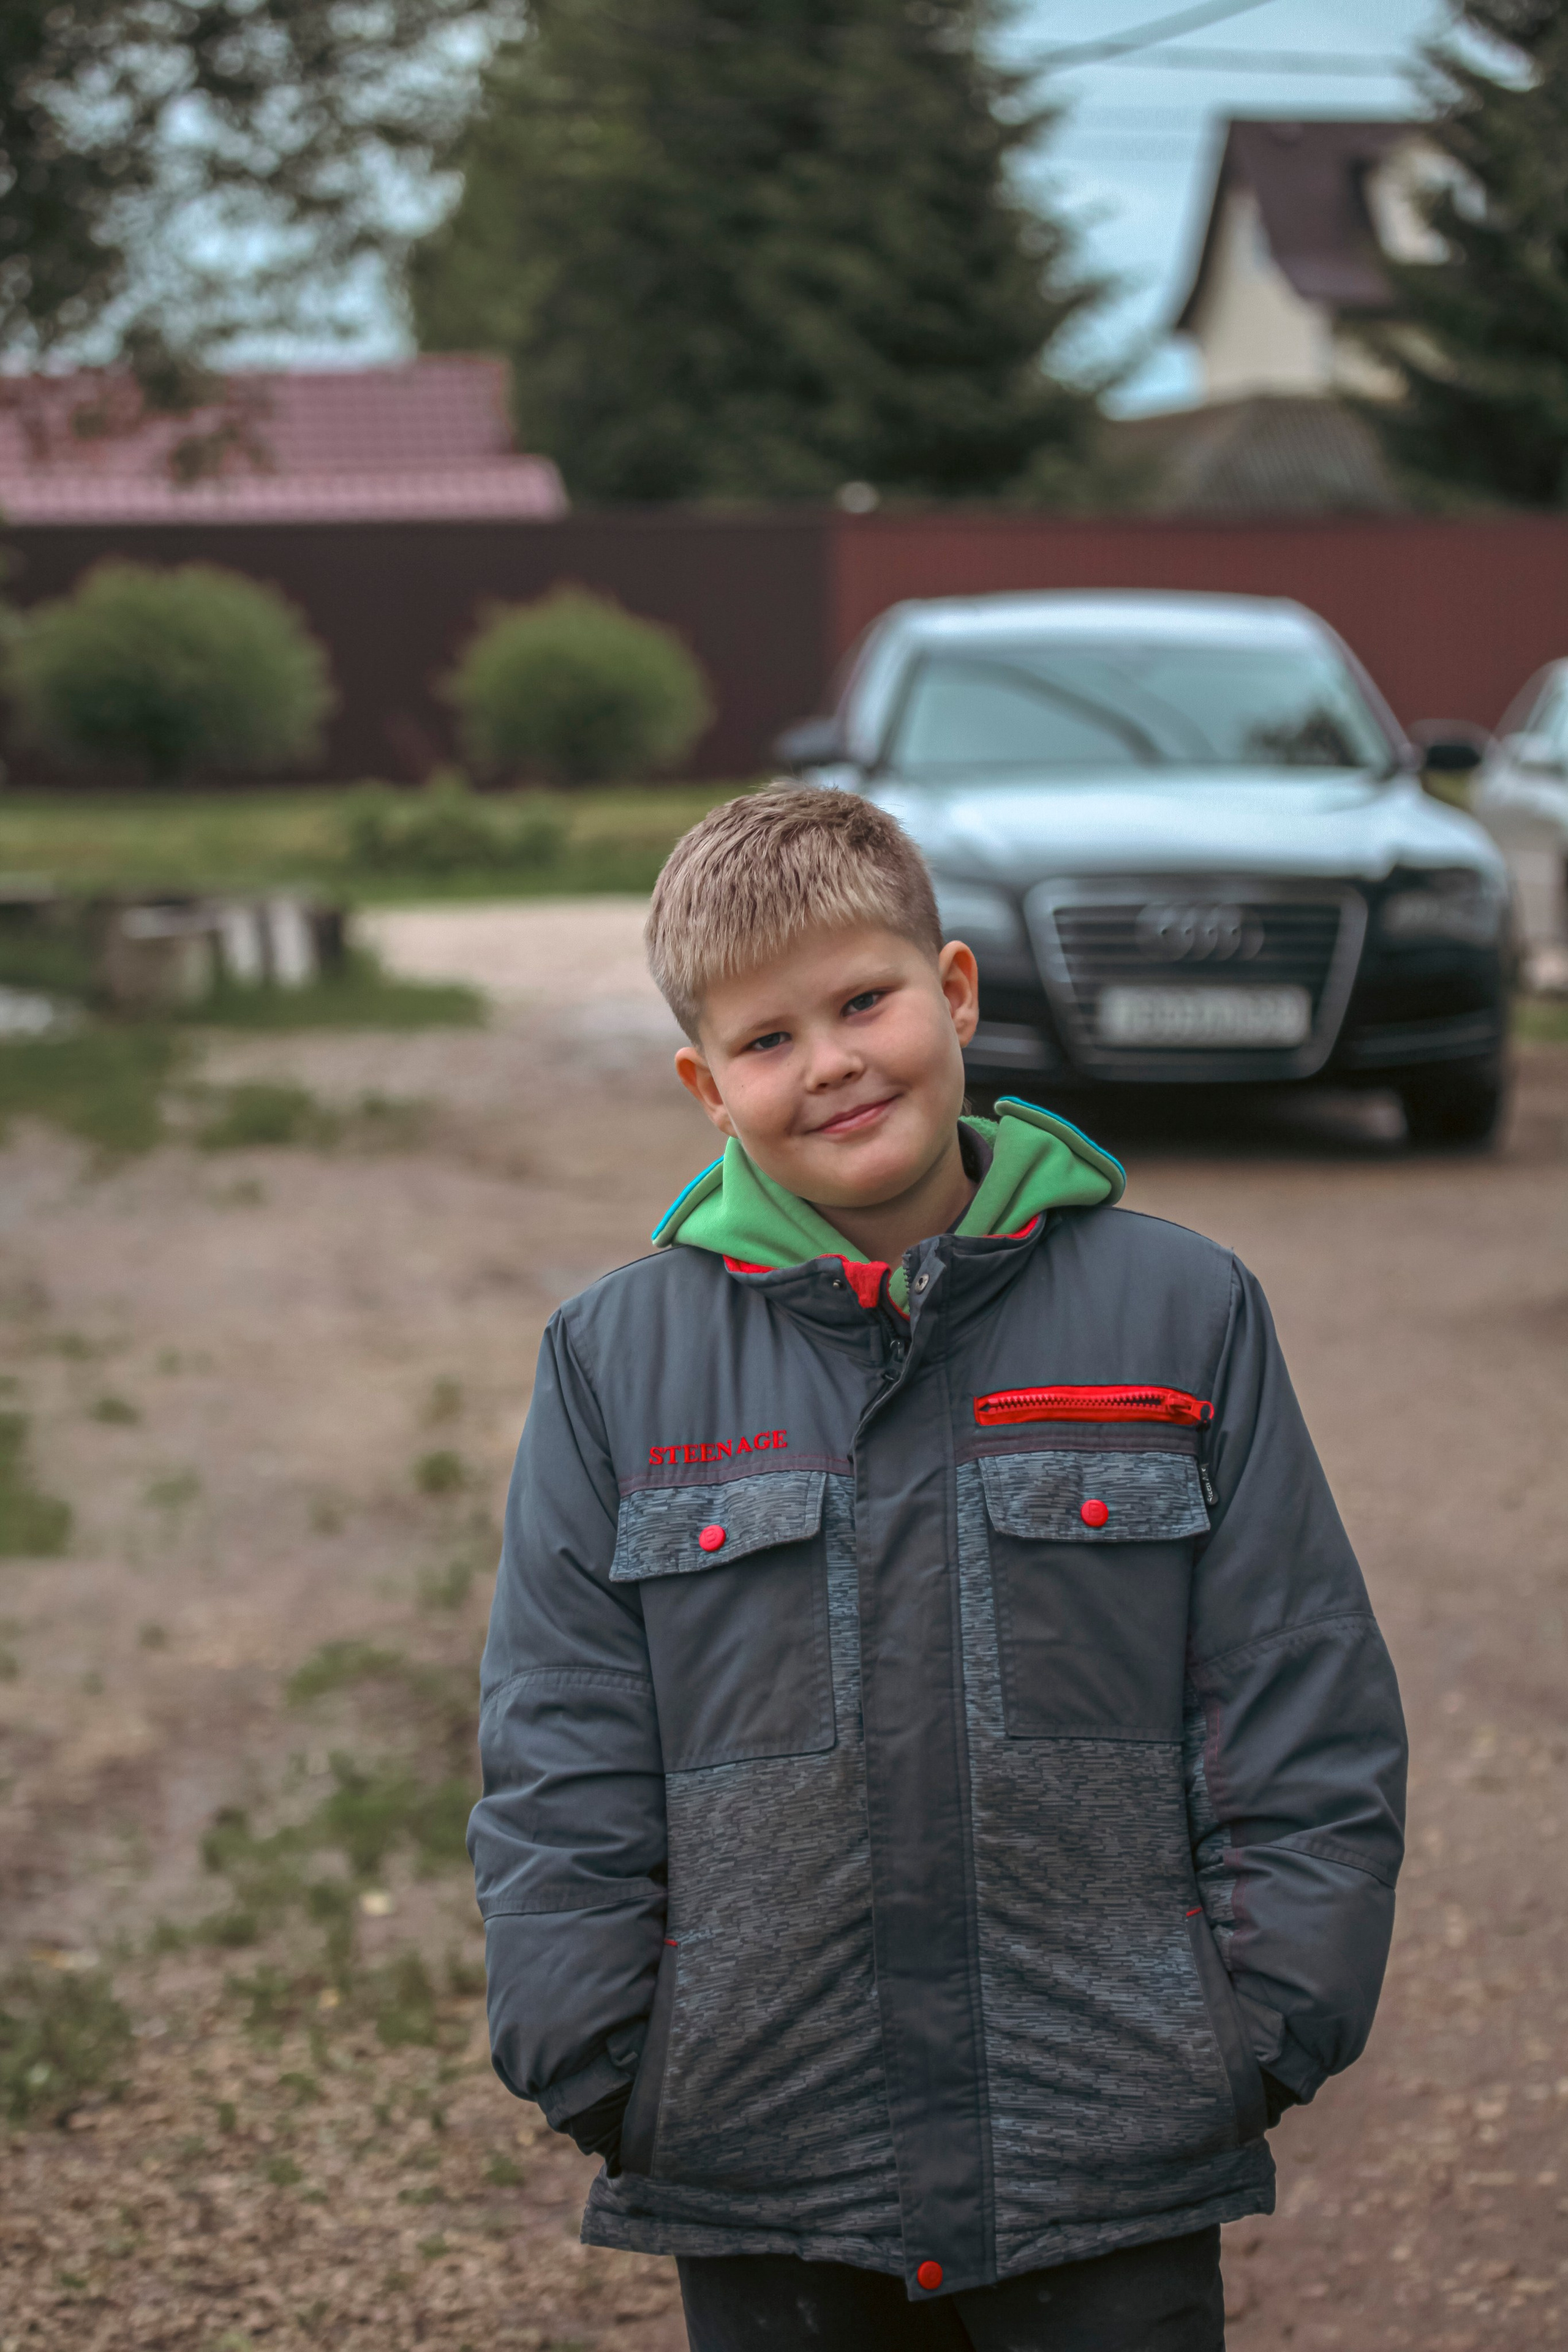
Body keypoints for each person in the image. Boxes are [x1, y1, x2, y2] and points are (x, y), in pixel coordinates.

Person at [470, 787, 1406, 2351]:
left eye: (863, 1002)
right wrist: (605, 2062)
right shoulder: (613, 1363)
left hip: (1106, 2148)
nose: (830, 1064)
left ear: (954, 993)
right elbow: (559, 1739)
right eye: (767, 1041)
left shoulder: (1179, 1314)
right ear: (706, 1085)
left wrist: (1247, 2036)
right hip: (763, 2155)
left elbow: (1292, 1684)